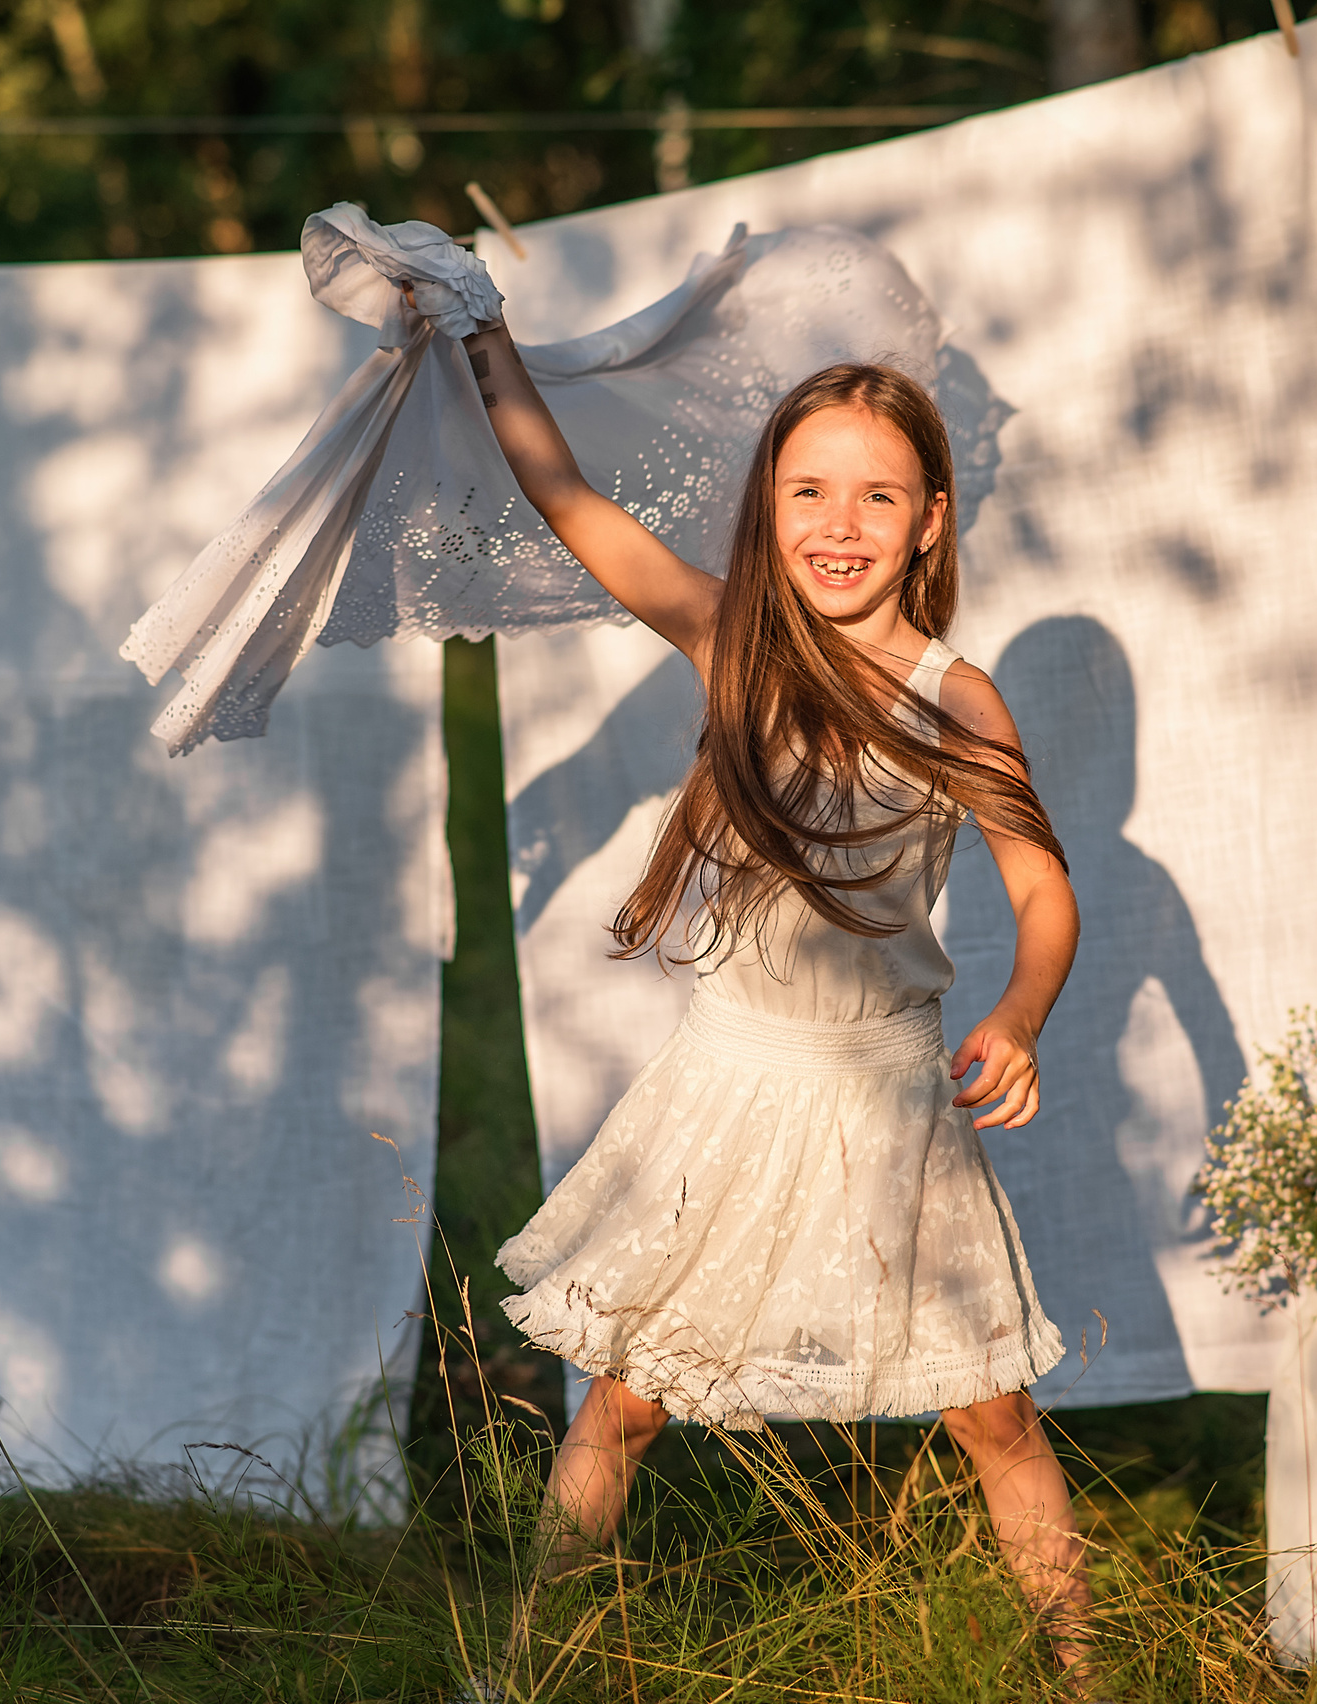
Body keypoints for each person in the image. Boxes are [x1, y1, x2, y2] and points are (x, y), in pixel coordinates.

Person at [464, 313, 1096, 1676]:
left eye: (879, 495)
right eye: (809, 490)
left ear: (931, 521)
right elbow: (566, 496)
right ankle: (530, 1663)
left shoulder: (955, 700)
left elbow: (1044, 894)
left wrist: (1020, 1016)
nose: (841, 522)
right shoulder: (730, 639)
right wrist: (485, 340)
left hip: (888, 1099)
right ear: (769, 505)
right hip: (731, 1086)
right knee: (624, 1403)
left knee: (993, 1417)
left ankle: (1086, 1670)